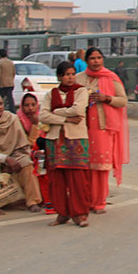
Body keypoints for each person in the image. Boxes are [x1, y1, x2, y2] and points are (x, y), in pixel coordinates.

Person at [0, 93, 44, 217]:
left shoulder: (11, 119)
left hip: (13, 155)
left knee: (26, 163)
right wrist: (5, 159)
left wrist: (13, 159)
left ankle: (32, 201)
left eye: (0, 104)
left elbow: (22, 145)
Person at [76, 47, 129, 214]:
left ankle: (99, 201)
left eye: (99, 58)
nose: (96, 61)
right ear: (86, 61)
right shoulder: (79, 78)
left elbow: (123, 101)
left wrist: (107, 98)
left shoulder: (111, 78)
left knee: (100, 166)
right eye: (92, 58)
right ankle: (84, 200)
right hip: (81, 127)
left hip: (102, 128)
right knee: (83, 166)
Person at [40, 61, 92, 227]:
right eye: (66, 74)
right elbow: (42, 116)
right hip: (55, 140)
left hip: (76, 139)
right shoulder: (51, 94)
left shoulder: (81, 91)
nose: (70, 77)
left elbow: (78, 110)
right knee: (57, 179)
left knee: (78, 178)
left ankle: (80, 214)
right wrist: (66, 119)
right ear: (60, 77)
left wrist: (56, 112)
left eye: (72, 74)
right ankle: (62, 213)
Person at [16, 93, 52, 213]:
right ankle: (39, 200)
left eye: (33, 105)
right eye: (26, 105)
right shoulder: (18, 121)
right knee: (36, 165)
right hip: (24, 153)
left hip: (42, 152)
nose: (30, 108)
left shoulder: (44, 117)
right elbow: (27, 144)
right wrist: (35, 126)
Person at [0, 48, 16, 113]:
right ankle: (12, 110)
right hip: (10, 83)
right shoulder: (11, 62)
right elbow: (13, 73)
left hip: (3, 84)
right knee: (10, 97)